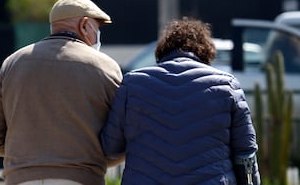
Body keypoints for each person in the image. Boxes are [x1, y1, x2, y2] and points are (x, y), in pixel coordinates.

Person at [0, 0, 123, 185]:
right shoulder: (105, 67)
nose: (98, 36)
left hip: (20, 178)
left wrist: (27, 154)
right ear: (85, 26)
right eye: (98, 28)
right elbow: (121, 138)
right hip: (80, 178)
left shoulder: (13, 63)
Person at [100, 17, 261, 184]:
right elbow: (245, 156)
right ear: (206, 52)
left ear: (162, 51)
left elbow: (110, 147)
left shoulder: (133, 84)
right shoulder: (227, 85)